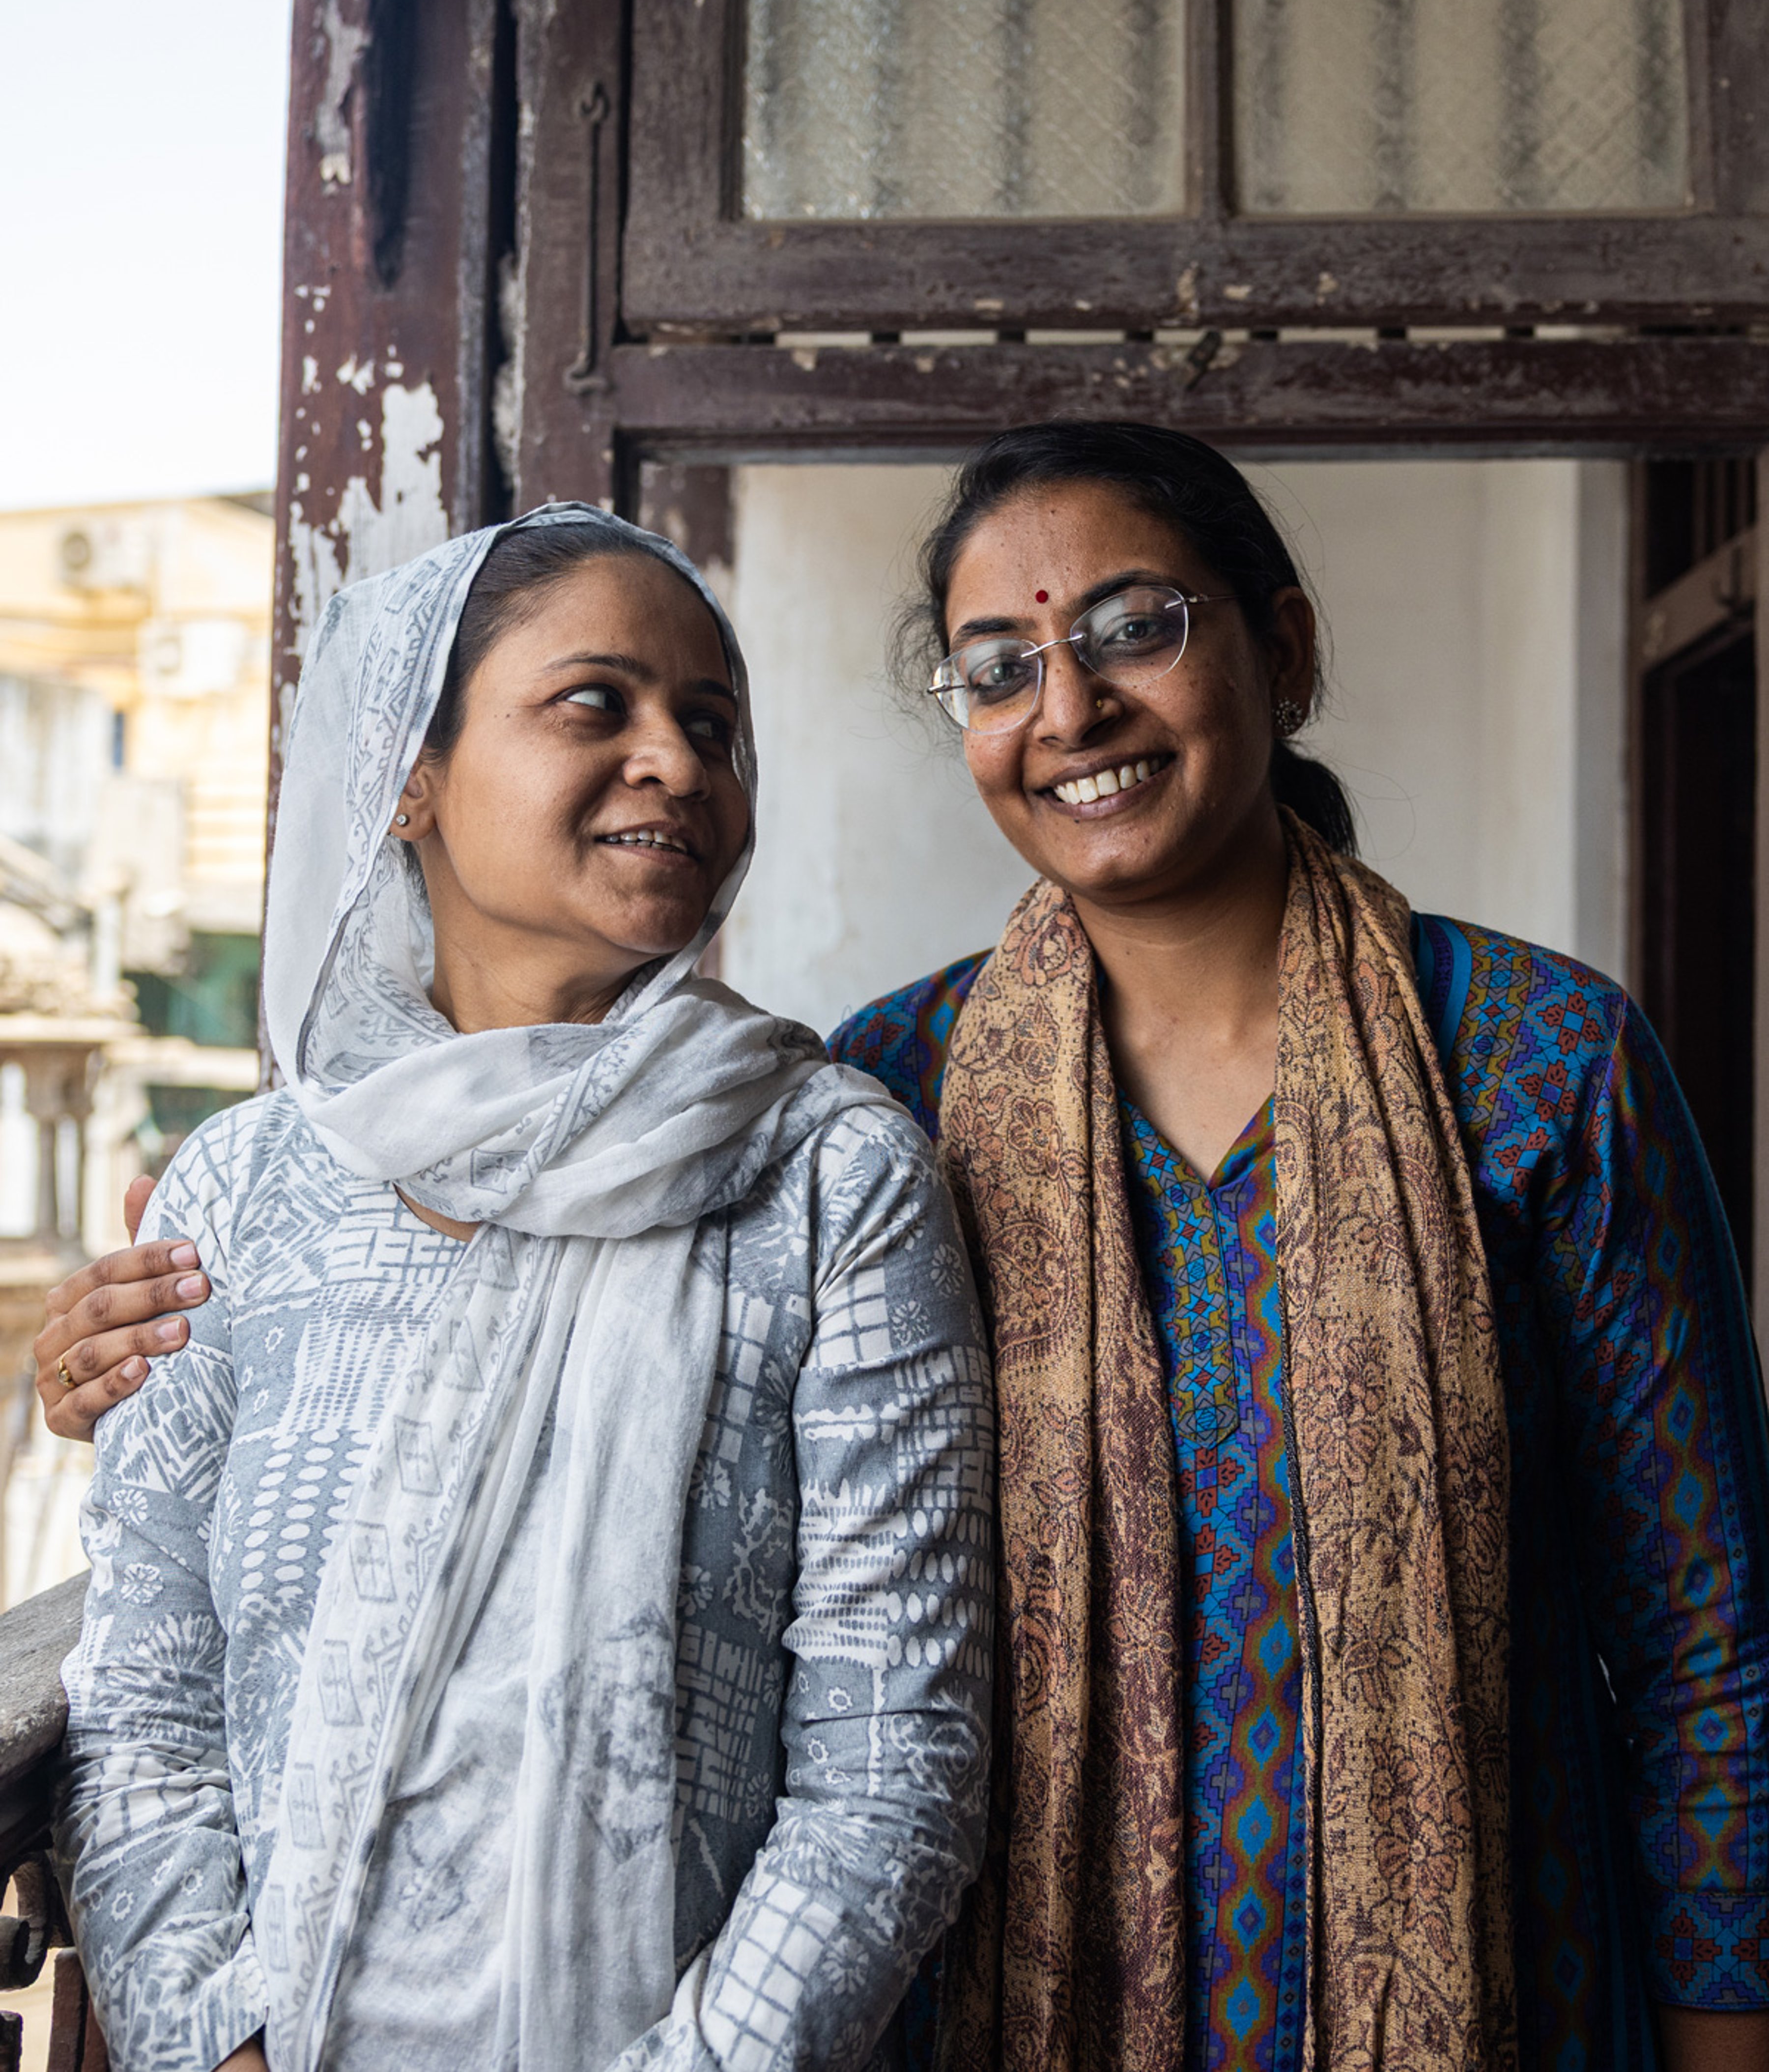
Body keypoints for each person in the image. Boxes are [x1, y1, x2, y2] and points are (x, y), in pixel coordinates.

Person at [42, 423, 1769, 2072]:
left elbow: (1710, 1649)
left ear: (1285, 649)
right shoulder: (909, 1081)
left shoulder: (1537, 1064)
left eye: (1137, 627)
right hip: (1030, 2003)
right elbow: (502, 1285)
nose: (1071, 705)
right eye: (1000, 666)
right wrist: (158, 1334)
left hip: (1497, 1980)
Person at [42, 505, 993, 2072]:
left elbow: (891, 1766)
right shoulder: (246, 1189)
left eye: (712, 727)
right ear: (408, 777)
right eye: (595, 704)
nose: (675, 761)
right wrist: (219, 2049)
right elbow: (149, 1700)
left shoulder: (829, 1174)